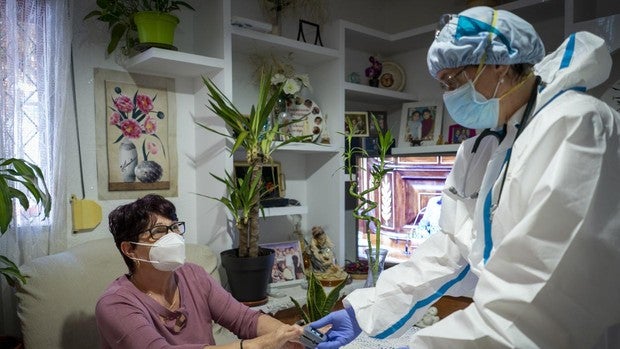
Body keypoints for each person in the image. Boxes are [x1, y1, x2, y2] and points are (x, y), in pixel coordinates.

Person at [311, 6, 620, 349]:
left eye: (453, 81)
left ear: (499, 64)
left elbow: (542, 301)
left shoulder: (575, 125)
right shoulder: (482, 148)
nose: (448, 95)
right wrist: (364, 311)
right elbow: (452, 250)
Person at [96, 194, 303, 348]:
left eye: (174, 227)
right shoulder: (115, 304)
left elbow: (245, 319)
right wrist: (252, 345)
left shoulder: (194, 275)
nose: (173, 237)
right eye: (158, 231)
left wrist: (291, 335)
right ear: (129, 249)